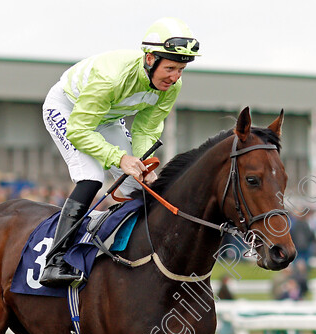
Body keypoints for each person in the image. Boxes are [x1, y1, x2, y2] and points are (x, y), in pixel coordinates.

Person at [39, 17, 200, 286]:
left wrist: (143, 165)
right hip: (68, 111)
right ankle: (55, 260)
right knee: (92, 178)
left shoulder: (171, 87)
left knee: (140, 185)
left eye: (181, 69)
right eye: (170, 68)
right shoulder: (110, 78)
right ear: (150, 59)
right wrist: (120, 158)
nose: (175, 77)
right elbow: (79, 130)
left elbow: (146, 130)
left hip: (108, 119)